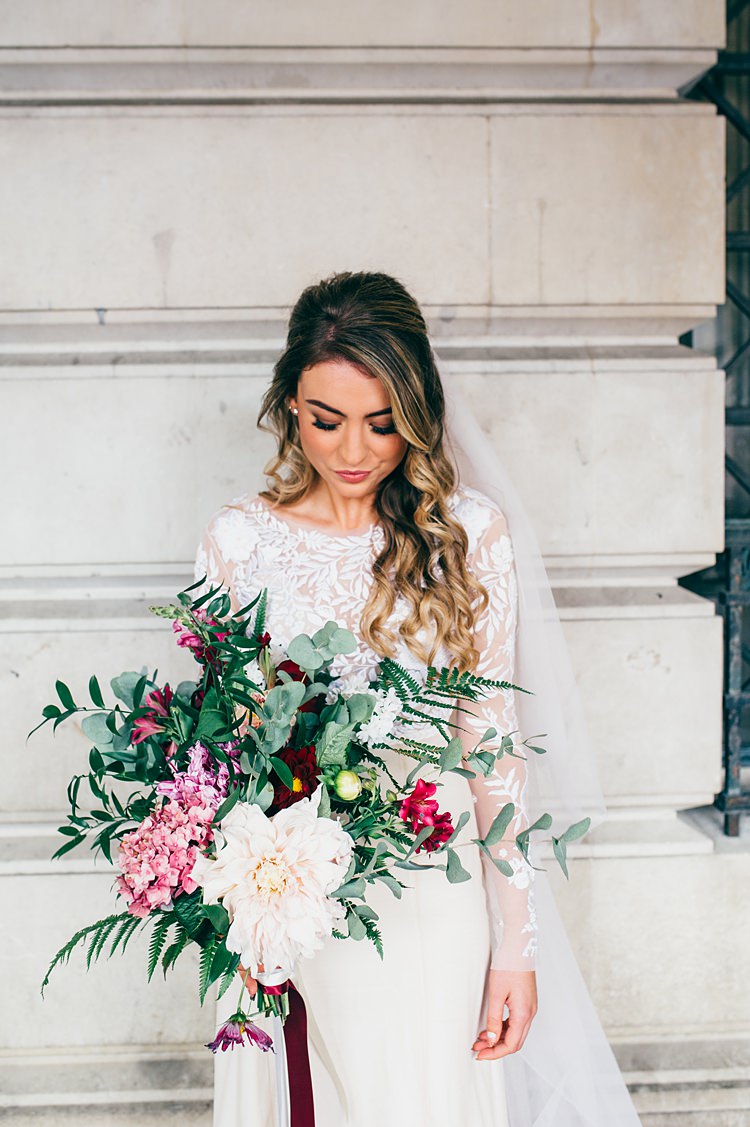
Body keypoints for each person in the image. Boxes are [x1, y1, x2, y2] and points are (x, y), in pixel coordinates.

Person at [193, 270, 643, 1126]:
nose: (354, 449)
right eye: (327, 420)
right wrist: (230, 907)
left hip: (431, 901)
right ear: (290, 404)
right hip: (283, 902)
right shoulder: (239, 541)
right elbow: (219, 753)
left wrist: (516, 945)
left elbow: (492, 743)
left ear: (419, 414)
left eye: (383, 423)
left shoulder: (468, 535)